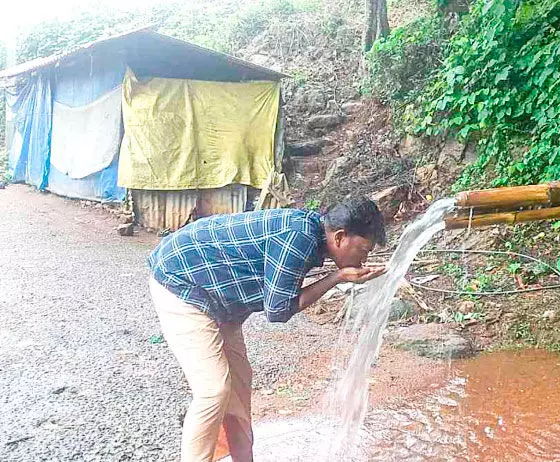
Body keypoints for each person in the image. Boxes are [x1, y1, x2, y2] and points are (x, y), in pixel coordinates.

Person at [147, 197, 387, 461]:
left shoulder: (311, 233)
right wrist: (337, 277)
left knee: (239, 385)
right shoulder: (298, 238)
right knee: (213, 389)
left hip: (217, 299)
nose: (364, 259)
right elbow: (278, 310)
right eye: (363, 250)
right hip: (180, 282)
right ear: (340, 237)